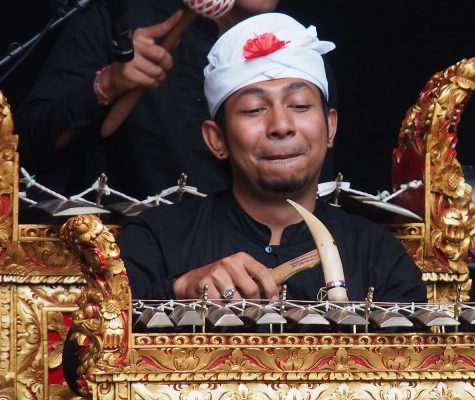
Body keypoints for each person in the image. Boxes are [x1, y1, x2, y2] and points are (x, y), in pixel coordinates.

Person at [116, 12, 426, 303]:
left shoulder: (378, 258)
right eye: (254, 109)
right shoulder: (155, 240)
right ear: (217, 139)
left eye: (300, 105)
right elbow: (87, 351)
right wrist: (179, 288)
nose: (280, 126)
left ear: (330, 127)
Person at [15, 0, 279, 200]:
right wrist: (106, 85)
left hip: (241, 252)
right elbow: (25, 150)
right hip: (118, 249)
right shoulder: (118, 18)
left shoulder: (294, 44)